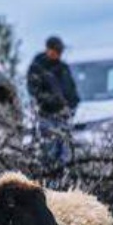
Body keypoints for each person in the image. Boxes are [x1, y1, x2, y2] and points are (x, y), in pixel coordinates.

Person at [27, 35, 79, 165]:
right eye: (56, 50)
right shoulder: (38, 68)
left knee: (65, 152)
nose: (59, 54)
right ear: (48, 50)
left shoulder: (63, 68)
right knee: (50, 151)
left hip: (64, 116)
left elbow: (71, 89)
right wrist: (50, 100)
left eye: (60, 51)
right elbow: (34, 91)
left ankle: (64, 174)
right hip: (47, 115)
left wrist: (72, 104)